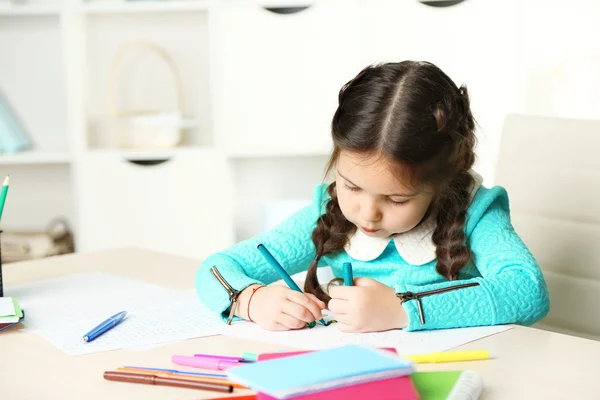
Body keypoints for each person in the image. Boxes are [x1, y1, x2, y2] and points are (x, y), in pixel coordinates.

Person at [195, 61, 550, 332]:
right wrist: (251, 300)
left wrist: (401, 309)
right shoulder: (331, 216)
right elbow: (216, 268)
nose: (367, 214)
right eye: (351, 186)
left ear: (442, 182)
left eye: (396, 200)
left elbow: (527, 291)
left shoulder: (476, 215)